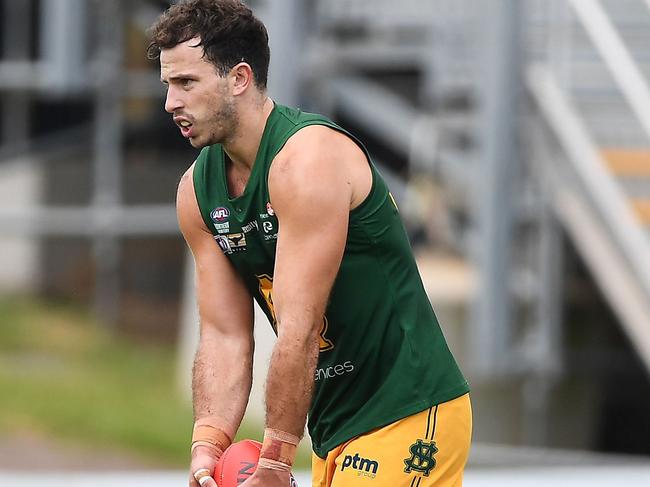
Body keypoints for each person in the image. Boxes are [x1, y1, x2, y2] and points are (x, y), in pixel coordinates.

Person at [147, 1, 472, 486]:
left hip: (407, 409)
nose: (171, 102)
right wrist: (207, 447)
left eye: (186, 83)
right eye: (168, 85)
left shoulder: (307, 159)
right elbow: (223, 335)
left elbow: (299, 327)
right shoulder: (197, 192)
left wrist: (276, 458)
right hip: (334, 430)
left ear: (239, 78)